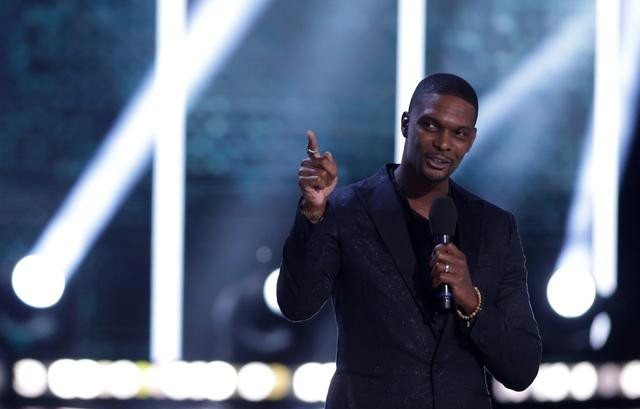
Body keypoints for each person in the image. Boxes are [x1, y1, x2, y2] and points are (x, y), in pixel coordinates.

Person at [277, 73, 542, 408]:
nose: (443, 143)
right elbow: (296, 305)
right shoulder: (346, 210)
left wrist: (470, 301)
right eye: (430, 125)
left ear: (471, 139)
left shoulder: (495, 227)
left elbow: (521, 368)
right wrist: (314, 213)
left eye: (458, 133)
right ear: (406, 123)